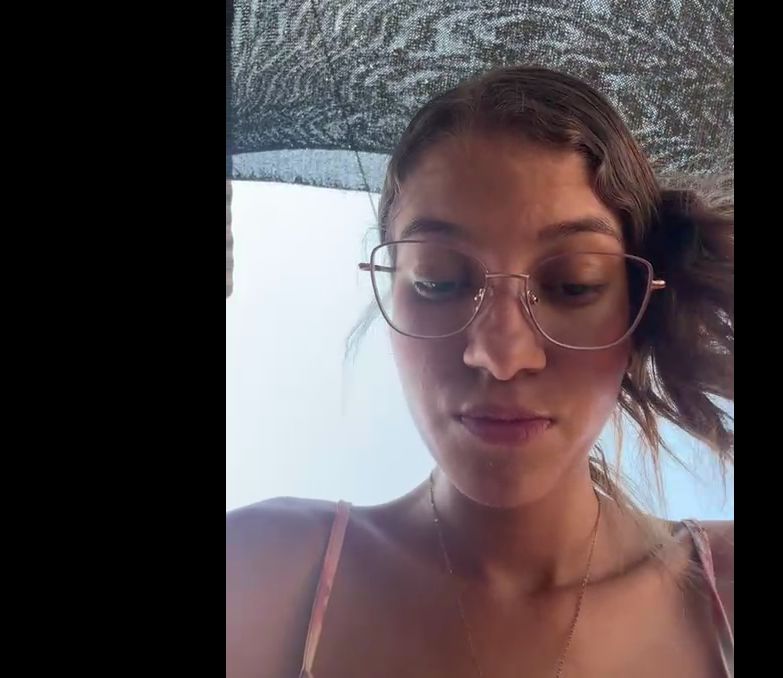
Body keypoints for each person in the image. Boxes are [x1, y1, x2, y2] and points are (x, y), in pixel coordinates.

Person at [226, 66, 733, 677]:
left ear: (639, 307)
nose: (501, 355)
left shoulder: (723, 590)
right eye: (438, 280)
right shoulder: (259, 573)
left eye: (574, 284)